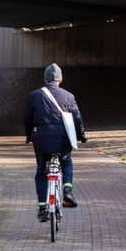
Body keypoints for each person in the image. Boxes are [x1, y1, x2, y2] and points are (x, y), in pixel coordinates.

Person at [24, 63, 87, 221]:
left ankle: (43, 208)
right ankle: (67, 190)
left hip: (42, 141)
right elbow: (77, 118)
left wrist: (28, 135)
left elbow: (27, 118)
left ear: (45, 79)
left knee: (41, 171)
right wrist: (81, 135)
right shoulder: (68, 96)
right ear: (60, 79)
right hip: (62, 141)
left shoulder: (35, 96)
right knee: (66, 161)